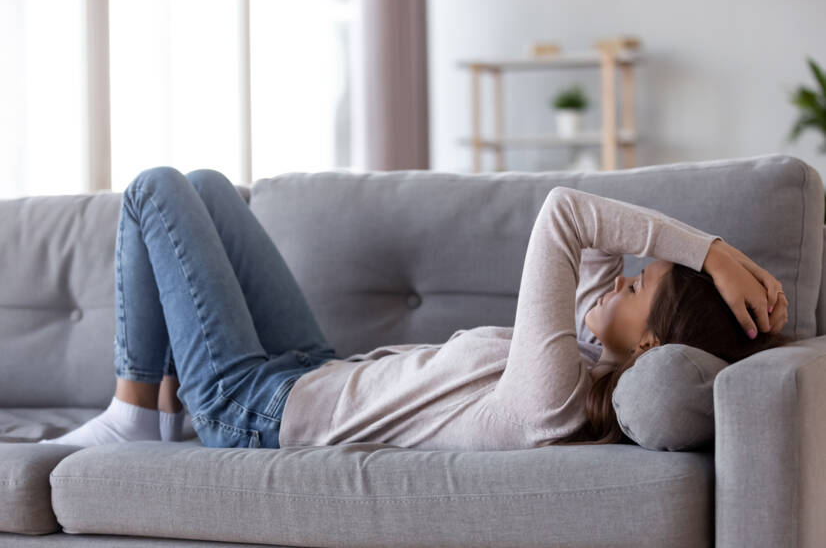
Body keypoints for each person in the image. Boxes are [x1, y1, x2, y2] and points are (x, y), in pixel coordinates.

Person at [39, 170, 792, 450]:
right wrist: (699, 261)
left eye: (635, 288)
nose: (618, 281)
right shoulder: (595, 356)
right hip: (313, 369)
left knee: (155, 191)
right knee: (205, 186)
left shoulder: (553, 397)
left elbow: (567, 215)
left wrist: (715, 250)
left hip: (257, 414)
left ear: (652, 342)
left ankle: (137, 414)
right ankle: (164, 411)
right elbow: (601, 258)